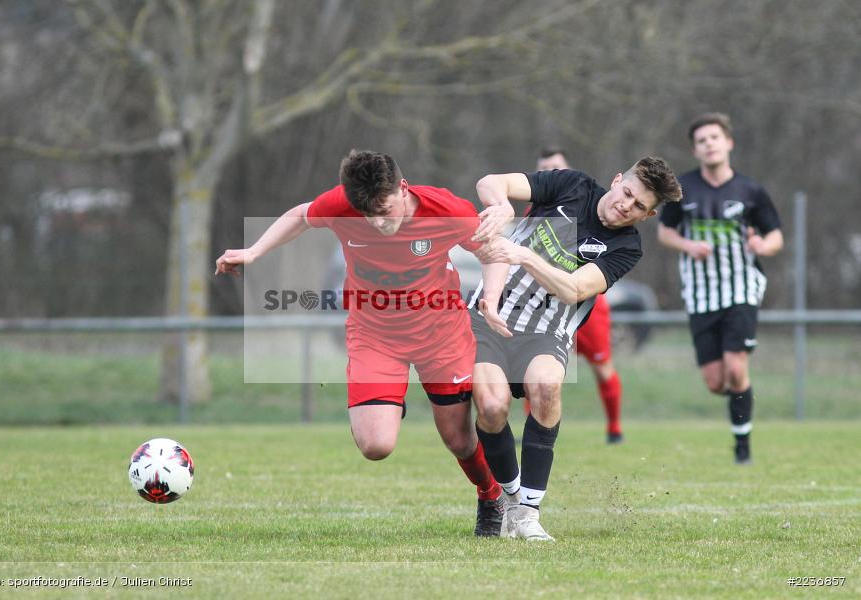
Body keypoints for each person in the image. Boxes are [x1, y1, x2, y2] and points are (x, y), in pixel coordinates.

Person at [215, 150, 505, 535]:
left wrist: (492, 297)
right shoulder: (343, 204)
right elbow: (301, 215)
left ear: (403, 189)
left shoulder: (445, 209)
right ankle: (386, 400)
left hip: (441, 335)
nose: (377, 222)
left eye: (384, 210)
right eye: (368, 214)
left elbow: (492, 251)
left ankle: (490, 495)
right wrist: (253, 252)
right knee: (375, 446)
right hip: (375, 336)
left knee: (458, 440)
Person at [468, 156, 682, 541]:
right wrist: (501, 206)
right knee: (492, 406)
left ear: (648, 215)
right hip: (490, 314)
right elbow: (491, 180)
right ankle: (510, 499)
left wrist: (525, 255)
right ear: (616, 180)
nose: (626, 206)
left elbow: (575, 289)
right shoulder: (572, 186)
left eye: (638, 206)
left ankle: (528, 513)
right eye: (627, 193)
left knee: (547, 388)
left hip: (546, 330)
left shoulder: (626, 246)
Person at [657, 113, 783, 465]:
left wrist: (762, 246)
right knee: (716, 382)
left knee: (736, 368)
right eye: (702, 140)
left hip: (742, 288)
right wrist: (688, 246)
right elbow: (665, 232)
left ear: (729, 143)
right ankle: (741, 399)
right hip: (701, 294)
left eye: (714, 137)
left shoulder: (751, 190)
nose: (709, 144)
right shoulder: (682, 189)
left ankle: (742, 447)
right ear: (695, 150)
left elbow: (775, 236)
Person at [523, 146, 625, 444]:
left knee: (602, 367)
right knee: (533, 369)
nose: (549, 172)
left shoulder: (583, 201)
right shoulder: (534, 211)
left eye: (555, 167)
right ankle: (534, 430)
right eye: (544, 168)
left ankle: (614, 429)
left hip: (585, 305)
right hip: (544, 304)